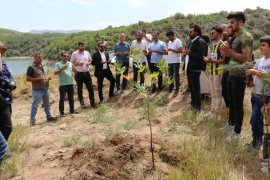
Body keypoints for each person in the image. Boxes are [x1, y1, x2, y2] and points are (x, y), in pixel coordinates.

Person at [220, 11, 253, 141]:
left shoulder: (246, 37)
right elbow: (232, 55)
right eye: (229, 22)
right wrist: (225, 51)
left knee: (238, 104)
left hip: (239, 75)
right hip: (231, 73)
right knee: (232, 102)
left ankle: (237, 132)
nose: (230, 24)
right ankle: (231, 124)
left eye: (232, 22)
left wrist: (229, 52)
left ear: (241, 22)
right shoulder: (235, 37)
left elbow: (246, 58)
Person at [246, 36, 270, 148]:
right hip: (255, 95)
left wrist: (256, 72)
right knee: (257, 120)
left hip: (265, 96)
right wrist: (250, 80)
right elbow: (251, 73)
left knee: (254, 120)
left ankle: (258, 142)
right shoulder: (259, 60)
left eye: (263, 45)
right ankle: (257, 141)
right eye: (260, 45)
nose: (261, 47)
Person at [182, 24, 208, 111]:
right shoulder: (193, 41)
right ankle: (193, 105)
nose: (189, 33)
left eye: (190, 32)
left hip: (196, 68)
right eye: (188, 32)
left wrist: (189, 53)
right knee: (192, 87)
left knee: (196, 88)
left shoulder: (200, 41)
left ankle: (197, 107)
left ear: (196, 32)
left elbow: (201, 56)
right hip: (191, 68)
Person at [26, 53, 56, 125]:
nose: (41, 58)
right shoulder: (31, 67)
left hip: (46, 88)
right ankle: (32, 121)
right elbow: (27, 79)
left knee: (47, 104)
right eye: (39, 57)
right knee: (35, 105)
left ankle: (49, 117)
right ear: (35, 58)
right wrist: (37, 79)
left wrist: (48, 78)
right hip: (37, 90)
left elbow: (45, 75)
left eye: (41, 57)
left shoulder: (44, 66)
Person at [203, 25, 224, 120]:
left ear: (219, 34)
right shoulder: (213, 45)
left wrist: (211, 61)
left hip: (218, 72)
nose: (211, 34)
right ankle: (212, 112)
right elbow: (214, 58)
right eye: (210, 33)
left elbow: (224, 60)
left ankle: (217, 114)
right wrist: (209, 60)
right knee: (213, 93)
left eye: (213, 33)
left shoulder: (222, 45)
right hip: (212, 71)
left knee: (218, 93)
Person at [71, 42, 96, 109]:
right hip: (79, 74)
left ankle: (92, 102)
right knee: (80, 89)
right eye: (81, 46)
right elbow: (71, 64)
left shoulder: (87, 53)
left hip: (87, 73)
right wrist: (78, 64)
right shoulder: (74, 54)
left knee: (90, 88)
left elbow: (91, 61)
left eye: (83, 46)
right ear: (78, 46)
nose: (83, 47)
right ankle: (82, 103)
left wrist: (88, 63)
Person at [54, 51, 78, 117]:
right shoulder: (58, 64)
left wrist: (79, 66)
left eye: (67, 56)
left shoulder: (70, 63)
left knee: (71, 98)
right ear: (61, 57)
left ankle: (72, 110)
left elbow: (75, 71)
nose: (66, 57)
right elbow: (55, 73)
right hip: (63, 84)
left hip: (70, 83)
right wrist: (62, 69)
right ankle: (61, 113)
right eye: (64, 56)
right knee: (62, 99)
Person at [0, 42, 15, 140]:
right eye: (2, 49)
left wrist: (12, 83)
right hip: (1, 99)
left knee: (5, 126)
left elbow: (9, 75)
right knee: (7, 127)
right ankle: (3, 149)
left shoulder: (3, 62)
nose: (5, 51)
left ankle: (3, 149)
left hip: (7, 98)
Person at [166, 31, 183, 95]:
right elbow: (169, 51)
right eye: (168, 37)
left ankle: (177, 88)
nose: (169, 38)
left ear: (173, 35)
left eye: (169, 37)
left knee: (176, 75)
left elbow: (180, 50)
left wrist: (172, 50)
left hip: (176, 61)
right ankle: (170, 88)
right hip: (170, 61)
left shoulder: (178, 41)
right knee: (170, 75)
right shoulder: (169, 42)